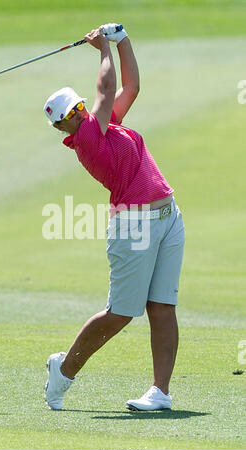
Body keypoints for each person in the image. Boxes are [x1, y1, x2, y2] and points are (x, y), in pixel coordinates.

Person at [43, 24, 185, 411]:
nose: (79, 112)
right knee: (121, 313)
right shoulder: (87, 139)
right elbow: (105, 91)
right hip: (134, 226)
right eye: (70, 113)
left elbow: (130, 87)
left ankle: (160, 392)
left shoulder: (106, 126)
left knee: (162, 306)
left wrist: (123, 41)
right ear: (61, 126)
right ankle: (64, 370)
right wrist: (102, 48)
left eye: (78, 106)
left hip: (168, 217)